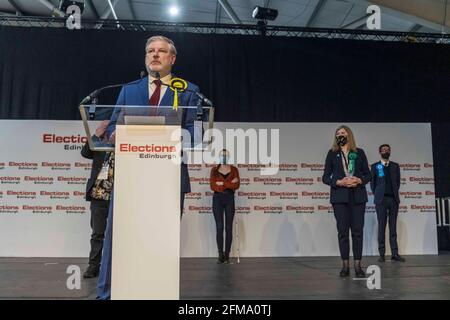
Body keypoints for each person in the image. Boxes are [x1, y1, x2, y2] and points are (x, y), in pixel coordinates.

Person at [96, 35, 200, 300]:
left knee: (160, 241)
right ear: (146, 57)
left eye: (161, 51)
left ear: (172, 59)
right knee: (118, 237)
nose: (155, 55)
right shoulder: (129, 89)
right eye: (150, 51)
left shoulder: (188, 91)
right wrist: (111, 133)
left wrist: (167, 136)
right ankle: (107, 293)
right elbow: (112, 127)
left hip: (168, 178)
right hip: (132, 177)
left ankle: (157, 292)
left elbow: (194, 134)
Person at [322, 125, 371, 278]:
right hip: (339, 198)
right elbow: (325, 177)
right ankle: (345, 266)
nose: (340, 135)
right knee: (343, 232)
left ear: (349, 135)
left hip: (357, 197)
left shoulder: (359, 153)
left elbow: (368, 175)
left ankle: (357, 265)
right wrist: (339, 182)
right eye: (338, 134)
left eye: (343, 133)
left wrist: (359, 180)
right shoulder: (332, 154)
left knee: (357, 232)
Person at [80, 120, 111, 278]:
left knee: (121, 234)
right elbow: (85, 153)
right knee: (97, 233)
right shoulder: (98, 144)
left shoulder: (125, 145)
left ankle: (117, 266)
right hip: (99, 195)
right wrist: (96, 134)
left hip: (119, 195)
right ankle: (93, 266)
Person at [370, 144, 405, 263]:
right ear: (380, 152)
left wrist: (393, 193)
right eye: (383, 150)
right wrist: (378, 194)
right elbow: (372, 184)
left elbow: (398, 182)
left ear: (390, 151)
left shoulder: (395, 166)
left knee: (393, 226)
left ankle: (395, 253)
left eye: (387, 150)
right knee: (381, 226)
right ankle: (382, 254)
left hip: (393, 200)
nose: (386, 151)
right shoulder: (375, 166)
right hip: (381, 200)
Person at [209, 149, 240, 264]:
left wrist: (222, 184)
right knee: (219, 227)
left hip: (229, 199)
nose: (224, 157)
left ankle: (227, 254)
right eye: (222, 155)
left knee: (228, 227)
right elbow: (213, 186)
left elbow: (236, 185)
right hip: (217, 199)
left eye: (226, 155)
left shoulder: (234, 170)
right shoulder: (214, 170)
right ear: (219, 157)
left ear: (229, 156)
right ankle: (220, 254)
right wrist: (229, 184)